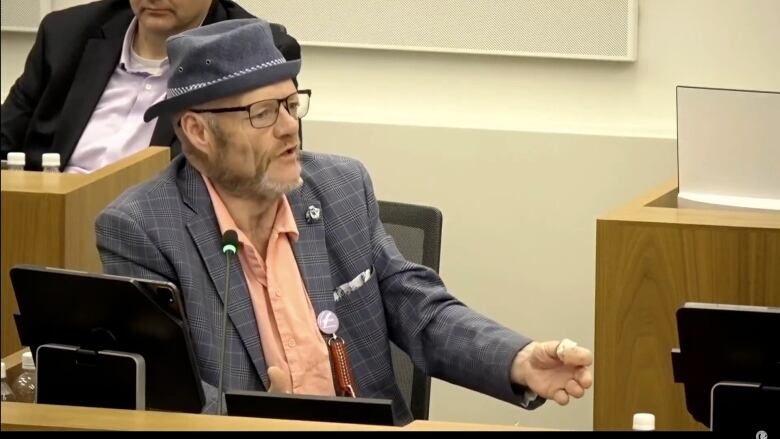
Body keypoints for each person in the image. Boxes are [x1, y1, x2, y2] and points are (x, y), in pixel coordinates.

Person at [94, 18, 593, 425]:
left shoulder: (339, 187)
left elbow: (416, 305)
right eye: (263, 113)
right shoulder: (142, 230)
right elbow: (162, 393)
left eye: (292, 103)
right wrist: (256, 419)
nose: (291, 126)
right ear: (198, 131)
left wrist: (517, 359)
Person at [0, 0, 299, 172]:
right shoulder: (65, 35)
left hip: (152, 247)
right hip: (42, 229)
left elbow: (266, 177)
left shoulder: (255, 53)